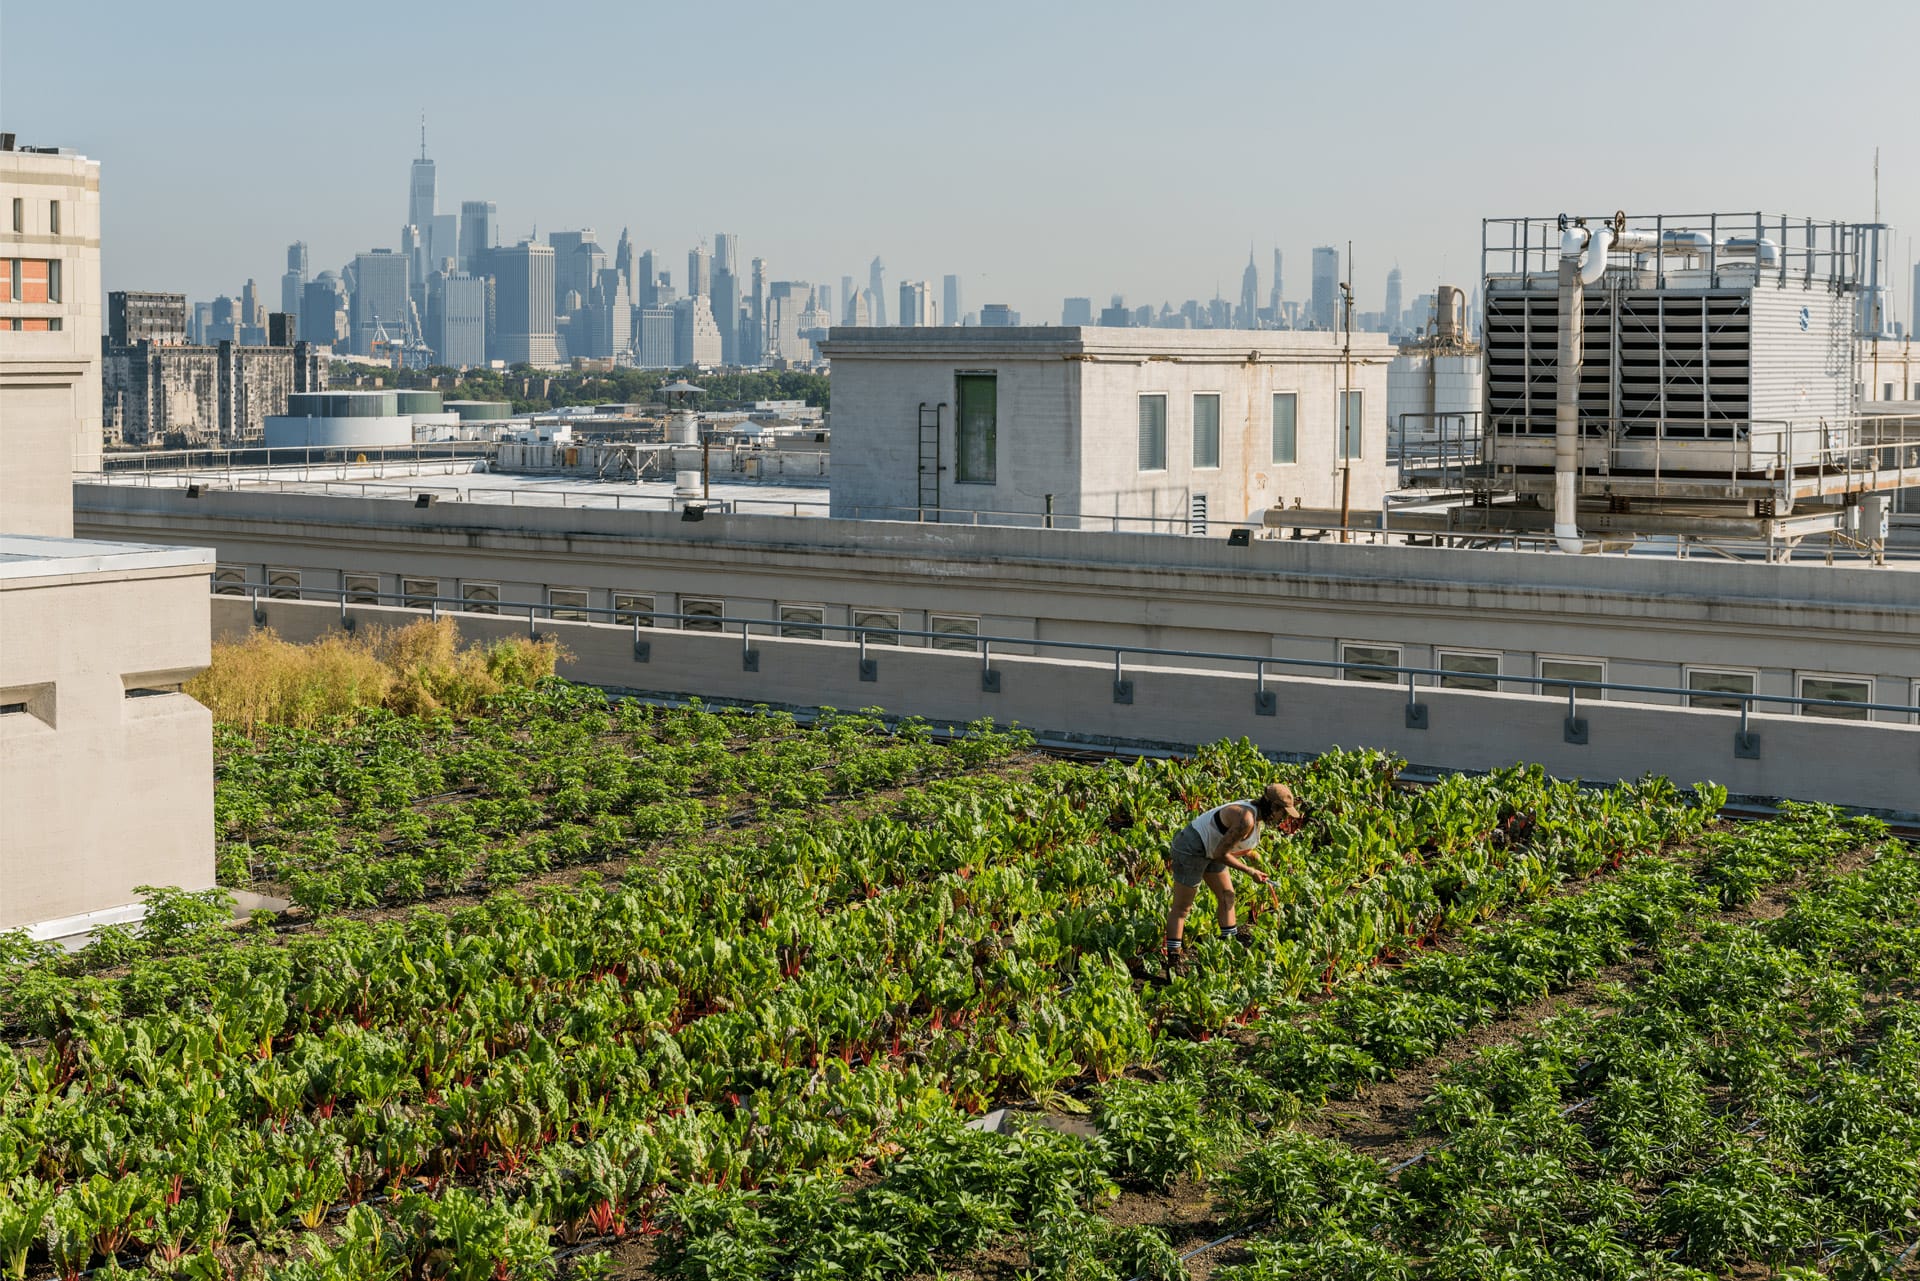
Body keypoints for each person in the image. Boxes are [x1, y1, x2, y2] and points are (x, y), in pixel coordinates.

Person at [1163, 782, 1301, 967]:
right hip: (1191, 849)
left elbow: (1225, 845)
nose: (1283, 818)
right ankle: (1174, 959)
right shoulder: (1246, 819)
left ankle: (1229, 948)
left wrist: (1250, 854)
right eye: (1283, 813)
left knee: (1227, 895)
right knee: (1182, 907)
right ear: (1273, 807)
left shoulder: (1256, 816)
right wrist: (1250, 871)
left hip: (1212, 849)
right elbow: (1220, 854)